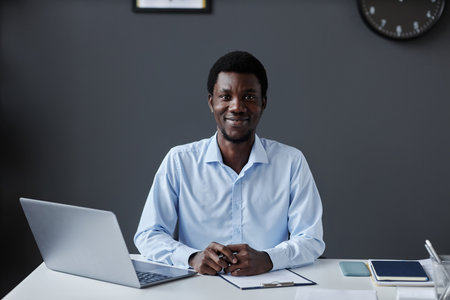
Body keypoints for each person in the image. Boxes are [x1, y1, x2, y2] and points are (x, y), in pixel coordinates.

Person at [134, 51, 325, 276]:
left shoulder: (291, 162)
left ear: (263, 103)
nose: (236, 107)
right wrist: (192, 257)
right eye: (225, 97)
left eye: (249, 97)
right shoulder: (180, 161)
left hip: (269, 289)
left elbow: (311, 239)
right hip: (199, 289)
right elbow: (149, 234)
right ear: (210, 102)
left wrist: (268, 259)